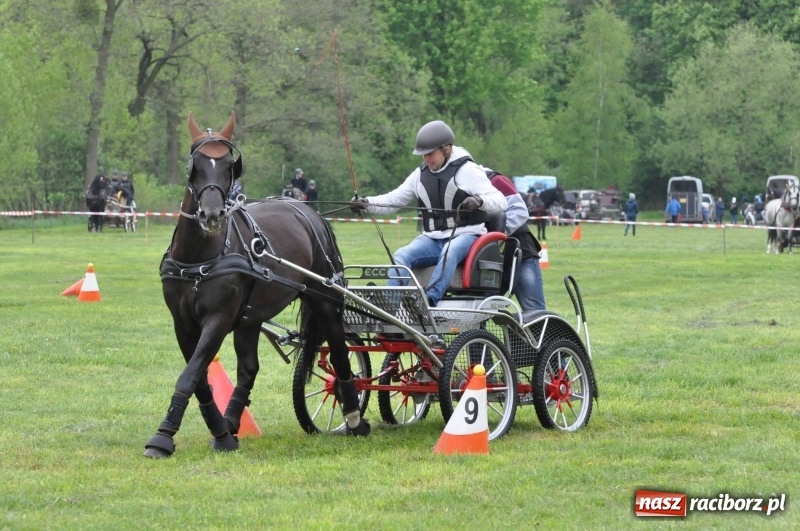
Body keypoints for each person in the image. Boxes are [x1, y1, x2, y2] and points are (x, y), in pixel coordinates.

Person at [349, 120, 507, 307]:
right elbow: (394, 200)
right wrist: (367, 203)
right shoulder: (419, 175)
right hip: (432, 239)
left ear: (447, 149)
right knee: (401, 255)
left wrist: (480, 201)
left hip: (466, 235)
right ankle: (389, 310)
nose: (426, 159)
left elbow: (501, 201)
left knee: (450, 251)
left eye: (430, 154)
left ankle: (428, 301)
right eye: (423, 155)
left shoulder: (468, 171)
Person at [482, 167, 545, 311]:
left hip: (520, 252)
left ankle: (542, 334)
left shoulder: (495, 181)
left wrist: (495, 234)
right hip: (488, 258)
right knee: (477, 310)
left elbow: (520, 212)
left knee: (534, 312)